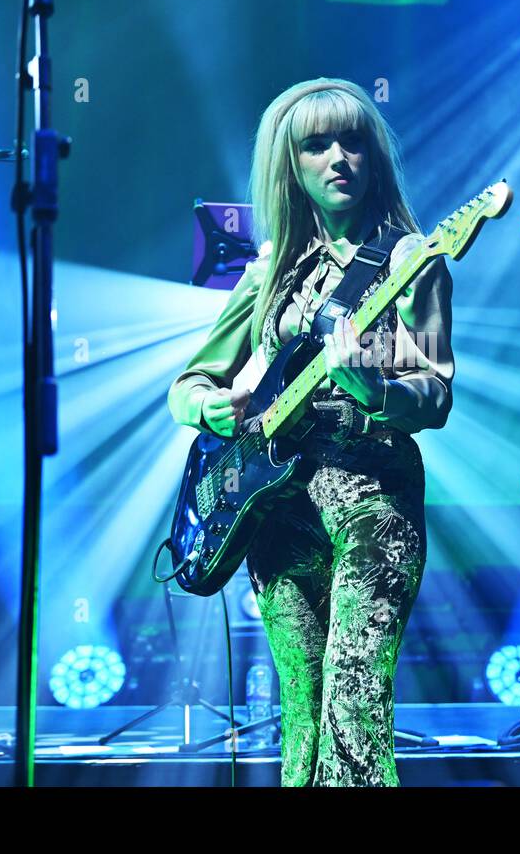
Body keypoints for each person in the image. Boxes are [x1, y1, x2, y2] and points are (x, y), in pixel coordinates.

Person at [167, 77, 454, 786]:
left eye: (353, 140)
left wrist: (374, 386)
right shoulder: (271, 274)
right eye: (316, 144)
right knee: (301, 721)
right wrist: (214, 408)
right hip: (276, 506)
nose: (338, 158)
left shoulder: (412, 260)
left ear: (374, 155)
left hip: (372, 497)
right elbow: (186, 388)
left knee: (353, 707)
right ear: (288, 166)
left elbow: (438, 392)